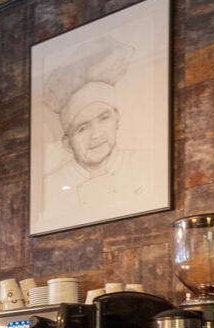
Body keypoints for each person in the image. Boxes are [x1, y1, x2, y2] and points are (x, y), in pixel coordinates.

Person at [37, 38, 156, 232]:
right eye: (82, 128)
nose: (96, 134)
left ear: (117, 119)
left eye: (103, 118)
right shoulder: (49, 188)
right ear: (67, 143)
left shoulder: (148, 164)